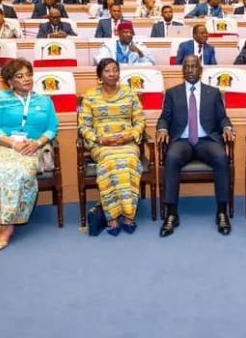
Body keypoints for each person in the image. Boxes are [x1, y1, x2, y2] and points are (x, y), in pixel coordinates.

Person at [0, 58, 58, 250]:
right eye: (20, 76)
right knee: (0, 172)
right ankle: (7, 224)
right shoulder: (0, 97)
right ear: (10, 81)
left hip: (32, 147)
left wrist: (37, 143)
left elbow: (52, 128)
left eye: (29, 75)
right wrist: (13, 143)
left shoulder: (44, 101)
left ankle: (4, 225)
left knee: (22, 173)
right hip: (2, 146)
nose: (26, 79)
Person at [156, 55, 235, 237]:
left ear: (200, 70)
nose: (190, 70)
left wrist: (227, 127)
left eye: (193, 66)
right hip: (182, 141)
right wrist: (162, 129)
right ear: (182, 70)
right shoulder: (172, 93)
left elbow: (222, 117)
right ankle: (171, 213)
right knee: (171, 157)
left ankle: (221, 212)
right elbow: (164, 118)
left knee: (221, 157)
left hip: (206, 140)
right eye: (186, 67)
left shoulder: (213, 92)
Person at [78, 58, 146, 235]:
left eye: (115, 70)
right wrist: (100, 140)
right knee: (109, 162)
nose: (112, 74)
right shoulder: (90, 96)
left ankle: (129, 216)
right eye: (107, 71)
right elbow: (84, 126)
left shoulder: (129, 93)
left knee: (129, 161)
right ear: (100, 75)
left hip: (127, 142)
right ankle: (112, 218)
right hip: (102, 144)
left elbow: (140, 120)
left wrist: (130, 135)